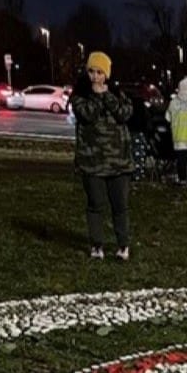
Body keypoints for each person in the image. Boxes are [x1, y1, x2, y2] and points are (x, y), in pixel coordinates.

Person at [71, 51, 135, 260]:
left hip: (119, 162)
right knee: (95, 204)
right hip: (92, 162)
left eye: (100, 72)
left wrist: (107, 95)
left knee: (120, 205)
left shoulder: (117, 94)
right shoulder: (80, 95)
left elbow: (124, 114)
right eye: (91, 71)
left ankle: (123, 245)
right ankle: (96, 245)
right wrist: (97, 96)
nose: (95, 77)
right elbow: (87, 114)